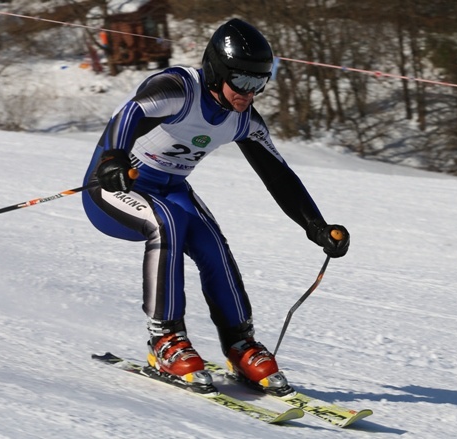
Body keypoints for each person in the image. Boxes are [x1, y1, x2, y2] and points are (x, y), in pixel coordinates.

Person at [82, 18, 349, 393]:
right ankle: (164, 340)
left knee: (212, 242)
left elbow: (279, 177)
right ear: (217, 71)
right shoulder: (178, 88)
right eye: (242, 81)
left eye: (259, 83)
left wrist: (316, 227)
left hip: (171, 189)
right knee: (168, 224)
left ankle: (240, 344)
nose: (248, 93)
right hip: (112, 187)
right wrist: (113, 158)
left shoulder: (243, 120)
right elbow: (128, 114)